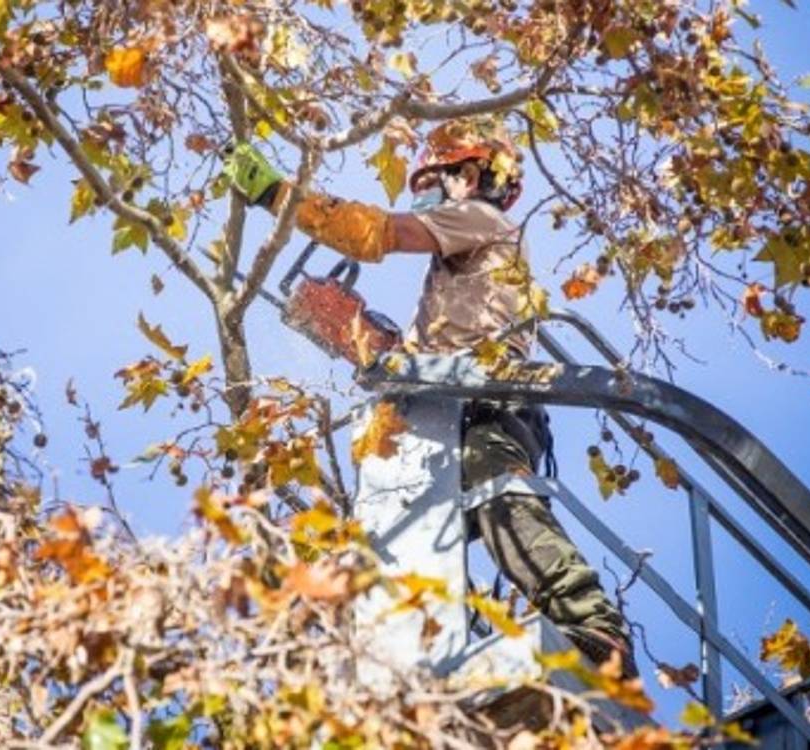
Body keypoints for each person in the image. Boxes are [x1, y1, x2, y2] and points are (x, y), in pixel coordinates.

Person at [224, 116, 638, 677]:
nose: (431, 200)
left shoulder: (481, 219)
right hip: (447, 410)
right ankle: (441, 649)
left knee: (494, 489)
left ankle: (596, 629)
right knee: (404, 540)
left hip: (491, 404)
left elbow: (377, 233)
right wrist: (356, 334)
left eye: (437, 184)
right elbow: (410, 359)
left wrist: (279, 195)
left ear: (469, 174)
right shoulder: (449, 293)